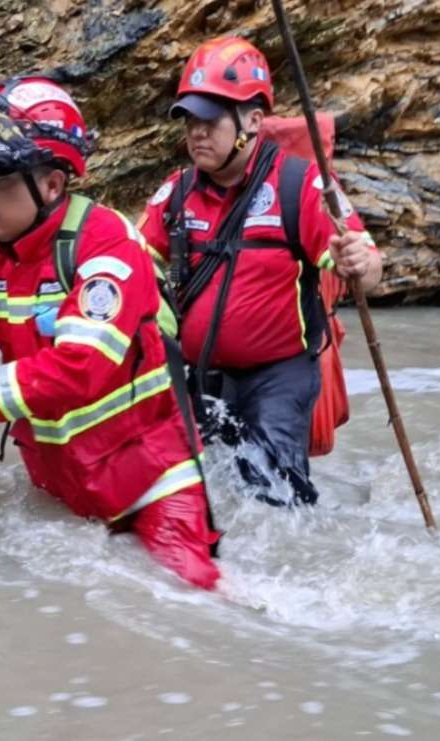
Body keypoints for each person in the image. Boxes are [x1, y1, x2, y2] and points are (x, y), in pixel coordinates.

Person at [0, 73, 219, 589]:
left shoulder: (106, 246)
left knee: (191, 602)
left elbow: (79, 371)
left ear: (52, 185)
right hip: (62, 486)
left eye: (1, 182)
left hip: (153, 481)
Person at [137, 37, 382, 506]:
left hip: (279, 376)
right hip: (201, 375)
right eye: (190, 120)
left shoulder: (303, 185)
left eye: (210, 120)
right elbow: (131, 265)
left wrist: (359, 263)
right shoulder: (175, 194)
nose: (196, 133)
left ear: (251, 121)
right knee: (193, 495)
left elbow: (366, 266)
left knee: (271, 496)